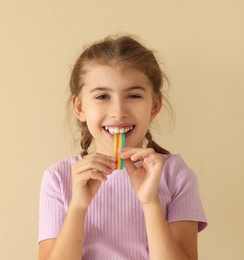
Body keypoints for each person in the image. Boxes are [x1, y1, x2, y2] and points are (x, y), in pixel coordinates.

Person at [38, 35, 207, 260]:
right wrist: (78, 207)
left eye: (133, 95)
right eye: (102, 96)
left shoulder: (176, 175)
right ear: (80, 107)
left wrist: (150, 203)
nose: (118, 111)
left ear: (155, 105)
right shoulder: (58, 178)